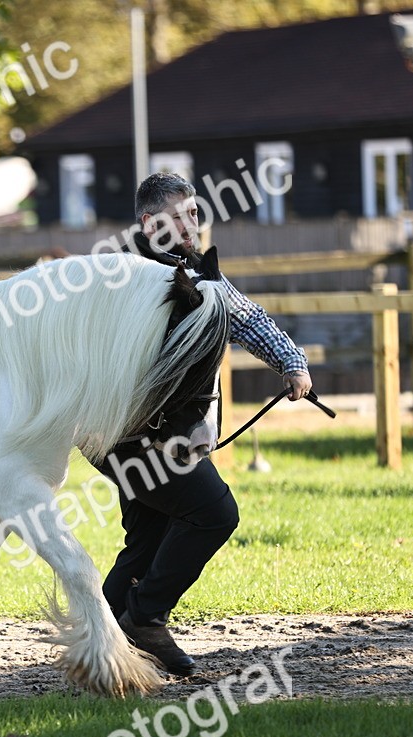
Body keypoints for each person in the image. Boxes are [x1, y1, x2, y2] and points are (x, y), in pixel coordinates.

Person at [97, 172, 313, 676]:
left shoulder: (201, 275)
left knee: (149, 539)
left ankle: (102, 638)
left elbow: (249, 319)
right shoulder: (118, 278)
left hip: (159, 438)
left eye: (196, 213)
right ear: (151, 224)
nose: (195, 222)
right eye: (182, 215)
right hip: (129, 439)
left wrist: (292, 364)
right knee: (214, 514)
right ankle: (144, 618)